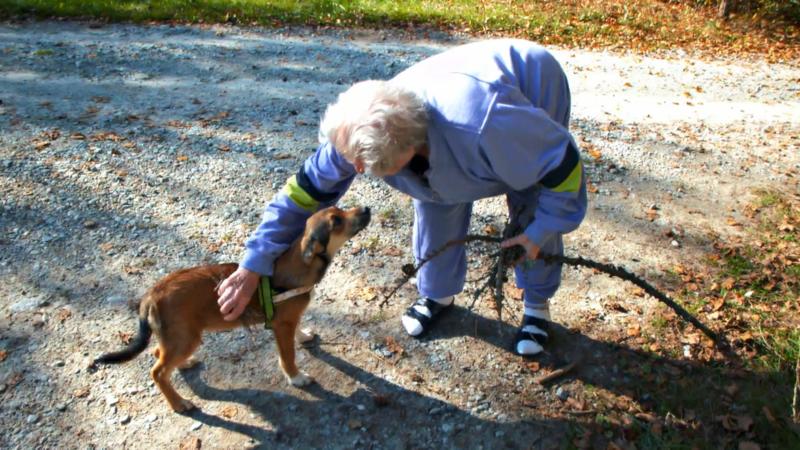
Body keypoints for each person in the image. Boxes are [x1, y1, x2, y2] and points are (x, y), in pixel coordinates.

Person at [217, 39, 587, 356]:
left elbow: (562, 166)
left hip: (530, 81)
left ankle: (537, 305)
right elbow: (301, 194)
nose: (355, 170)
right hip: (452, 111)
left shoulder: (490, 126)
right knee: (436, 199)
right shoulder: (354, 133)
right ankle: (438, 294)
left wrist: (540, 231)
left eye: (363, 165)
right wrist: (254, 262)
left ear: (409, 150)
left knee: (531, 197)